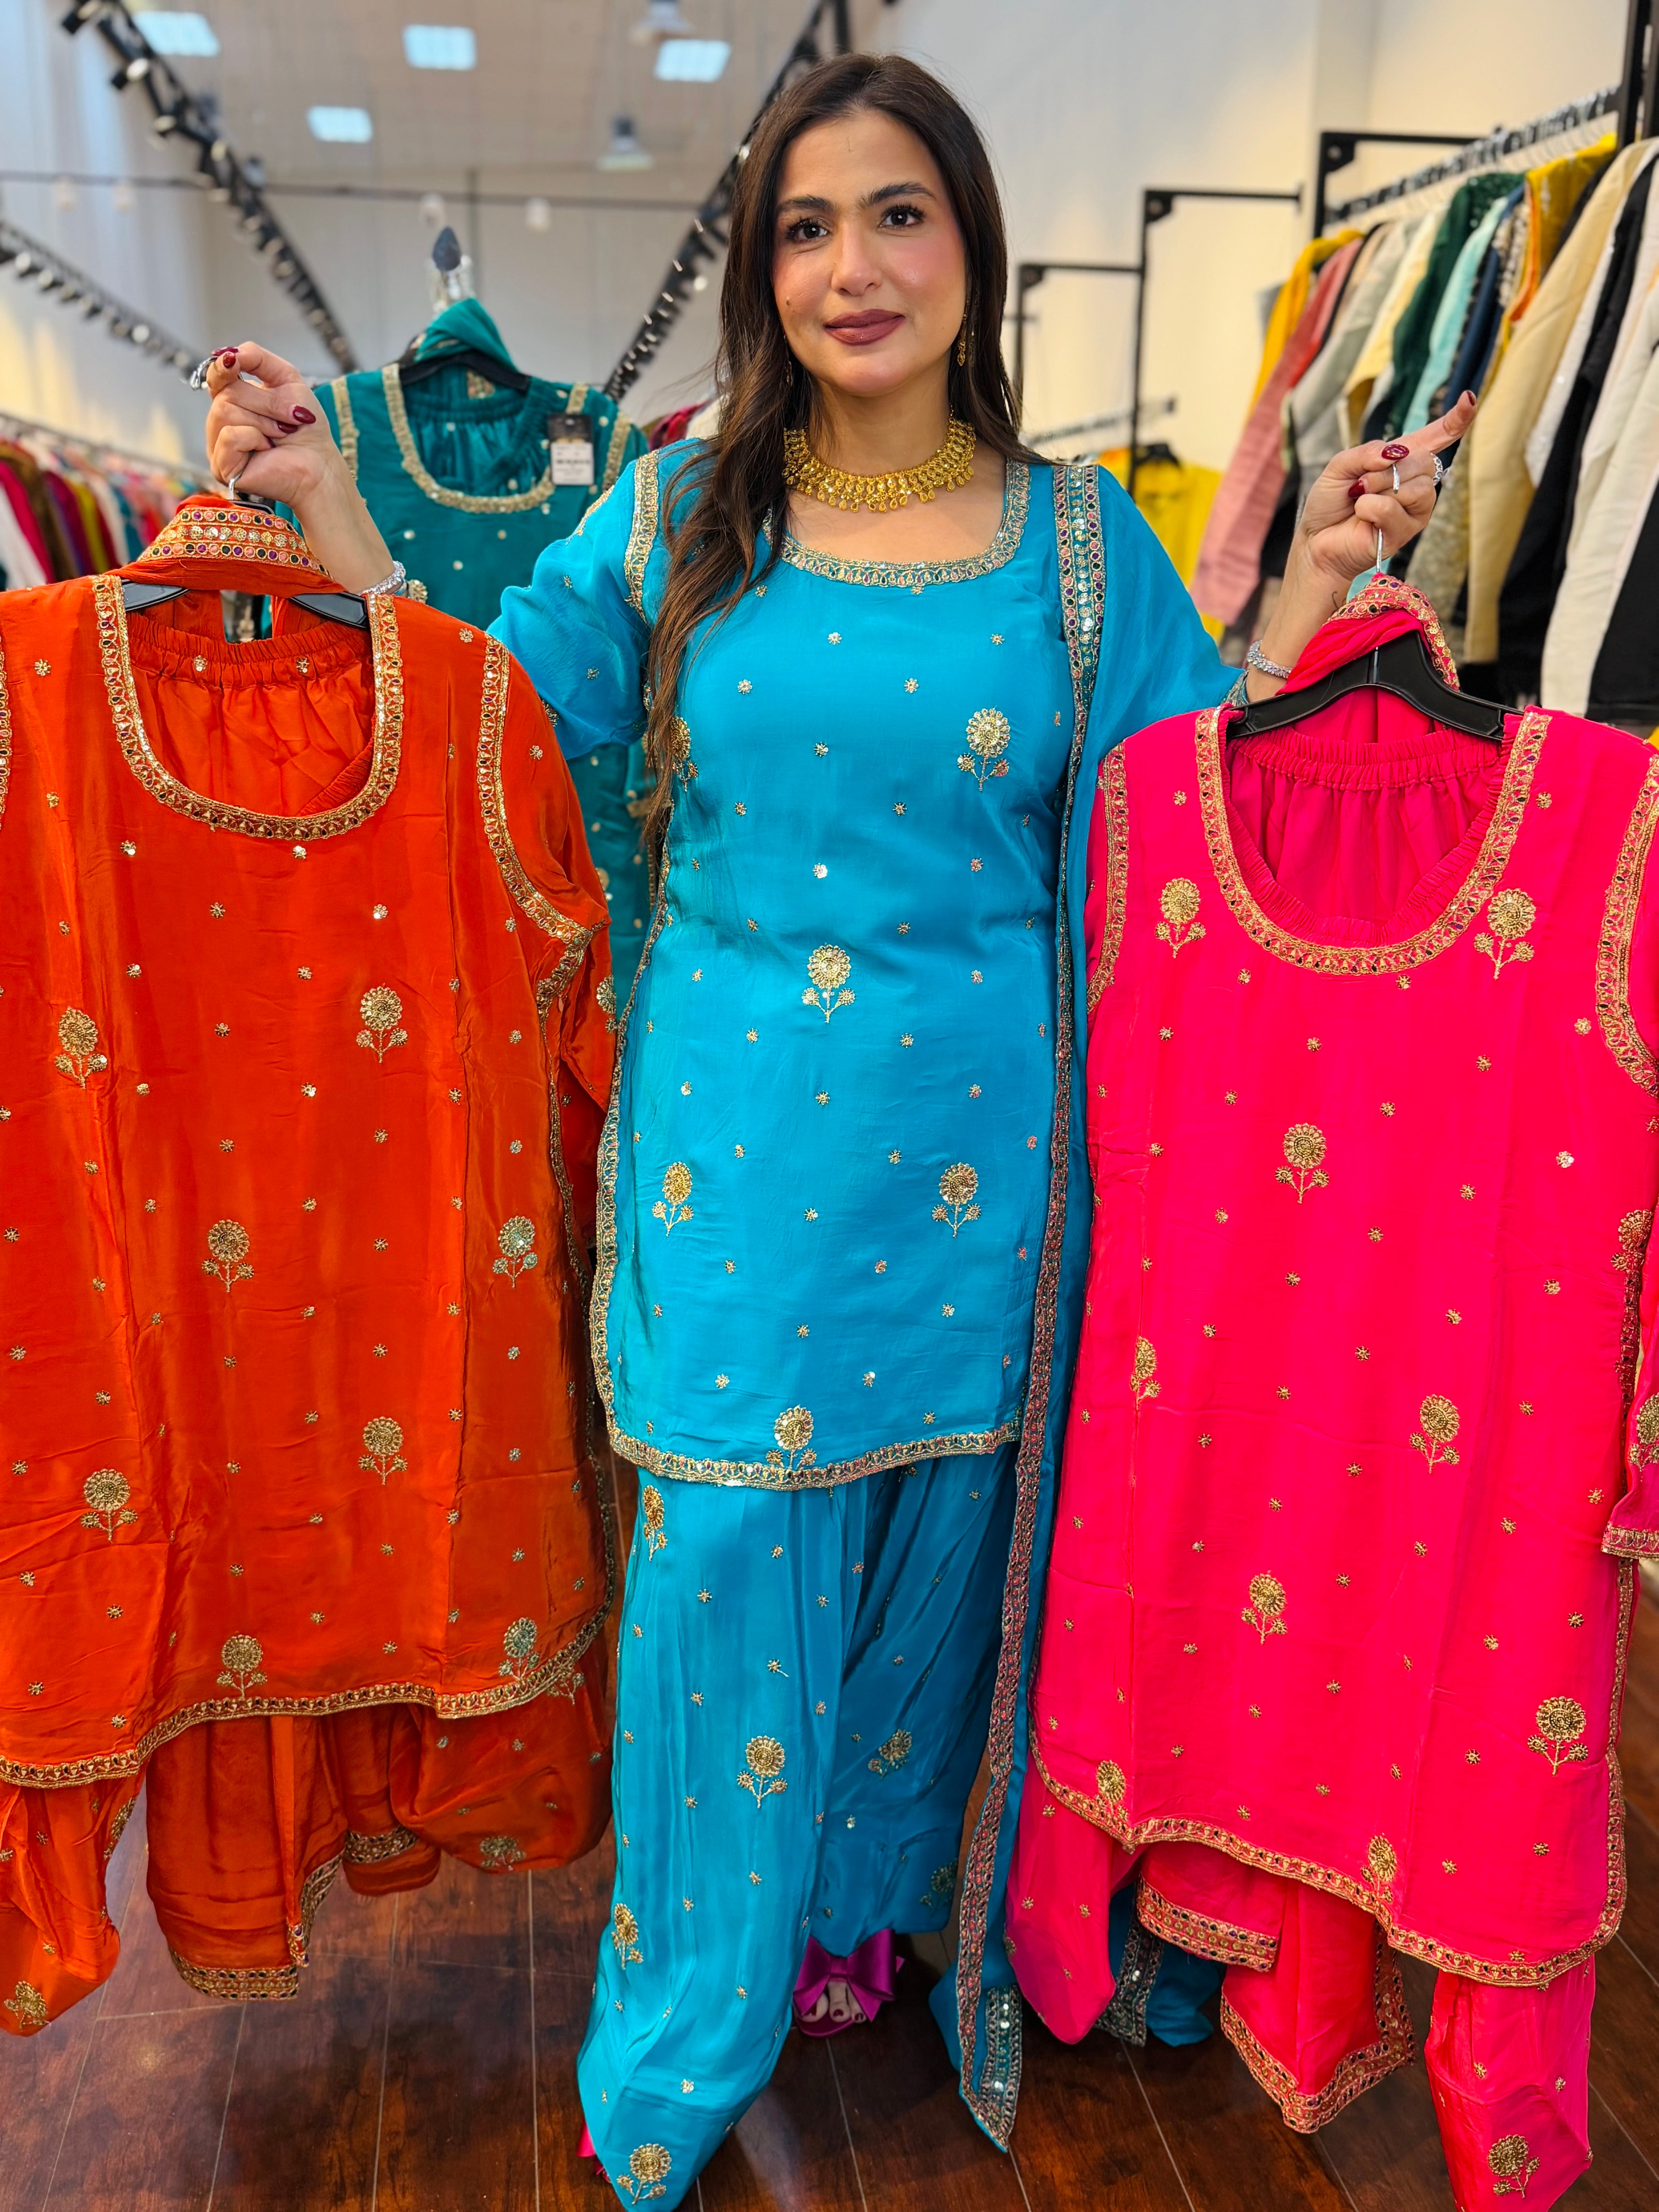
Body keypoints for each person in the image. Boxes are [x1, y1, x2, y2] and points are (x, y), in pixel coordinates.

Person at [201, 50, 1470, 2205]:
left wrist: (1314, 592)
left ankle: (858, 1927)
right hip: (731, 1178)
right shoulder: (682, 515)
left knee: (938, 1583)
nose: (851, 267)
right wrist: (332, 518)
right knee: (720, 1583)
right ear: (760, 274)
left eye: (897, 215)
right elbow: (495, 740)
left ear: (973, 247)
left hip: (993, 1181)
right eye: (804, 227)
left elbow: (1198, 821)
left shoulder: (1083, 545)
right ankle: (687, 2021)